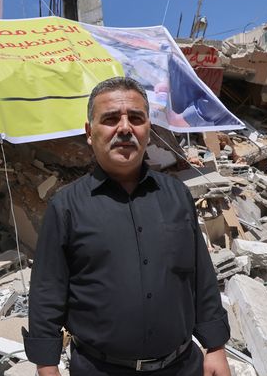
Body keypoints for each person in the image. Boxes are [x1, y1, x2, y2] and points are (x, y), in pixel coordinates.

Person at [23, 77, 231, 376]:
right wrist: (47, 366)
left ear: (148, 128)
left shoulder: (176, 196)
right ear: (89, 133)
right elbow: (48, 291)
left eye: (135, 118)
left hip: (181, 366)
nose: (124, 128)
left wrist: (216, 348)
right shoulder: (67, 206)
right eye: (110, 119)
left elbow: (200, 276)